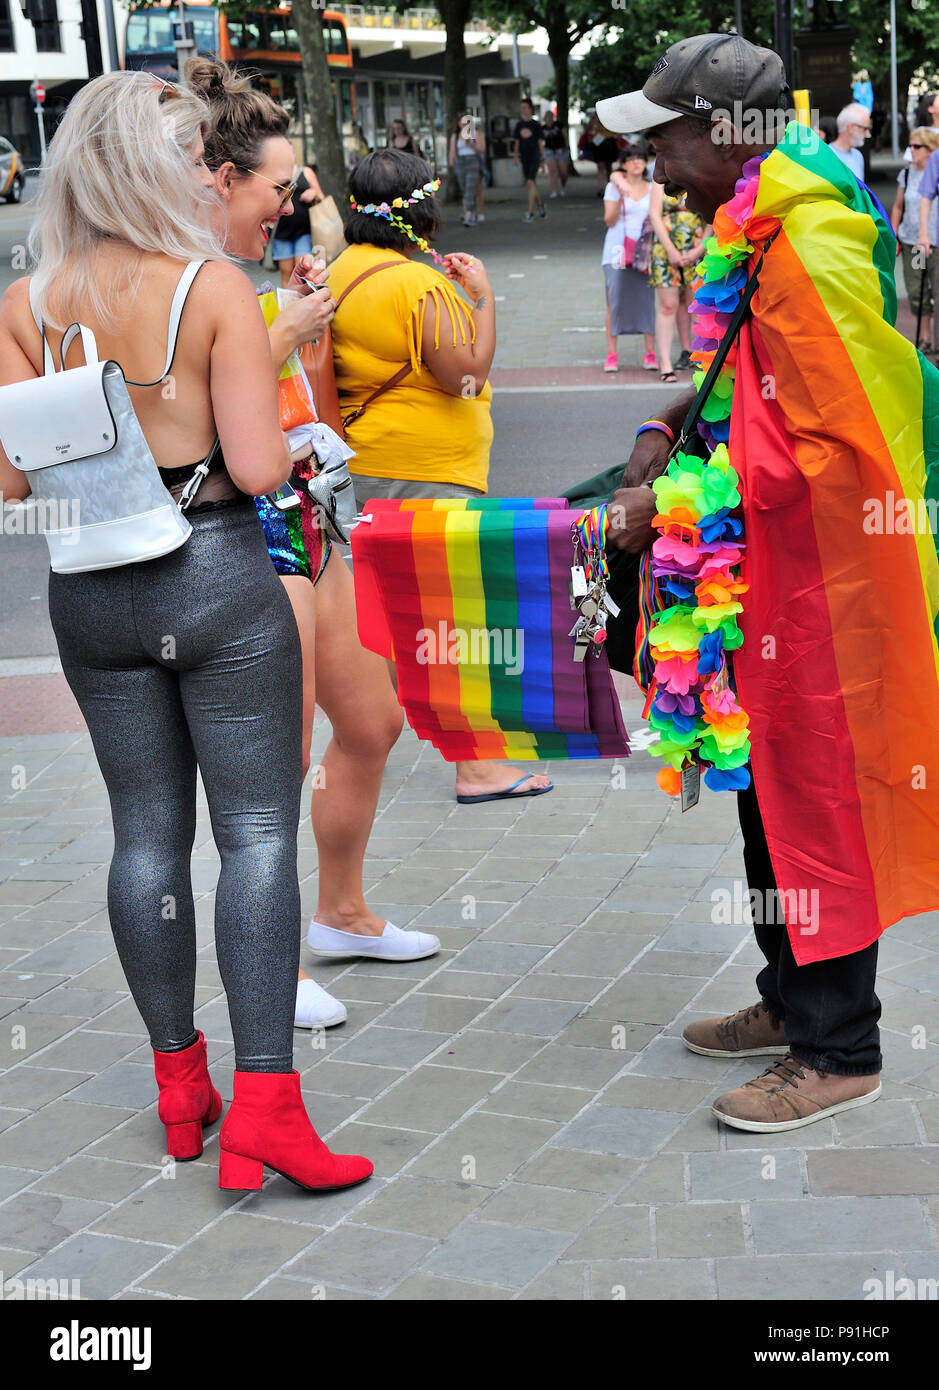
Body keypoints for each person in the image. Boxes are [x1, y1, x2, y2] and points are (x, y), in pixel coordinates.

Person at [0, 72, 371, 1190]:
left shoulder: (24, 306)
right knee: (257, 832)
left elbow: (17, 488)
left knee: (144, 837)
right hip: (214, 575)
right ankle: (268, 1112)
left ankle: (179, 1088)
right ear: (167, 167)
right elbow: (258, 468)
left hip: (93, 594)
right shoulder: (211, 285)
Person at [601, 31, 939, 1133]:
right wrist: (667, 430)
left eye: (665, 142)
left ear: (722, 136)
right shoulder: (756, 230)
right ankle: (791, 1001)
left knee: (821, 803)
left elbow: (838, 446)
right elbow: (745, 376)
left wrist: (674, 504)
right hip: (764, 578)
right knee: (763, 798)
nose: (653, 166)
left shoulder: (811, 242)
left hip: (827, 589)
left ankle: (844, 1049)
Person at [186, 59, 434, 1033]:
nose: (293, 202)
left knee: (371, 721)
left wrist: (303, 341)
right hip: (248, 529)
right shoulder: (187, 281)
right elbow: (184, 435)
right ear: (220, 178)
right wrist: (278, 335)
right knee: (275, 757)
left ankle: (340, 911)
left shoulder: (249, 275)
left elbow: (313, 419)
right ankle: (272, 966)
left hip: (314, 511)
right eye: (281, 185)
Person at [328, 147, 553, 805]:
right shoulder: (416, 285)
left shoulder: (340, 270)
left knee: (400, 617)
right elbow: (465, 375)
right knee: (447, 617)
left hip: (367, 465)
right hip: (423, 473)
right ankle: (476, 767)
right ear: (422, 207)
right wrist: (482, 301)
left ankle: (414, 739)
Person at [601, 145, 655, 373]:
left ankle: (650, 353)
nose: (636, 162)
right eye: (631, 159)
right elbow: (609, 220)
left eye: (640, 158)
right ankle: (612, 354)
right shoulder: (613, 188)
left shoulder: (653, 187)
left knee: (647, 300)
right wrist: (622, 196)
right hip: (616, 251)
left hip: (645, 251)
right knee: (614, 301)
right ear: (623, 164)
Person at [648, 179, 707, 381]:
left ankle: (702, 358)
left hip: (697, 249)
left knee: (697, 306)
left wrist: (700, 249)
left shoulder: (698, 175)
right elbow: (654, 216)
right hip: (665, 252)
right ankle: (665, 364)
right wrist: (672, 252)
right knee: (668, 305)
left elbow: (711, 216)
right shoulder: (661, 179)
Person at [891, 126, 939, 352]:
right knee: (917, 288)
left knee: (935, 290)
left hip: (936, 243)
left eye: (917, 146)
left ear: (931, 150)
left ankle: (933, 340)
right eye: (910, 145)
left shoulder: (936, 172)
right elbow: (898, 206)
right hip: (914, 242)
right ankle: (925, 337)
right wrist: (893, 235)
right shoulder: (907, 174)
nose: (912, 150)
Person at [270, 159, 323, 288]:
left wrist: (314, 193)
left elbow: (322, 197)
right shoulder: (273, 173)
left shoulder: (306, 172)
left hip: (303, 232)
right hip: (281, 232)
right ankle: (286, 306)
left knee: (303, 273)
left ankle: (302, 303)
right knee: (286, 273)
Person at [513, 98, 546, 222]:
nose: (523, 110)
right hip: (524, 157)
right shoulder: (519, 125)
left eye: (525, 107)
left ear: (530, 109)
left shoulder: (536, 125)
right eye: (522, 108)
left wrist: (543, 160)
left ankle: (530, 212)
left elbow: (540, 143)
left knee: (531, 182)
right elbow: (516, 142)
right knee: (531, 184)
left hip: (535, 156)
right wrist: (516, 156)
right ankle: (541, 206)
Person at [449, 111, 484, 227]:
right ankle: (472, 213)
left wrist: (471, 144)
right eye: (461, 121)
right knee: (465, 189)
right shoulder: (455, 135)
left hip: (472, 161)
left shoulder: (476, 133)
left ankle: (468, 215)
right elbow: (452, 151)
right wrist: (452, 161)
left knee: (470, 189)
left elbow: (481, 149)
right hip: (460, 162)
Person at [829, 102, 870, 180]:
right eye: (865, 129)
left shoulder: (858, 156)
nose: (867, 133)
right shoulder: (827, 156)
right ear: (851, 128)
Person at [542, 110, 569, 198]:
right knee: (553, 172)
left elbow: (565, 136)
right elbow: (540, 141)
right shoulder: (543, 128)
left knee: (563, 172)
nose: (549, 119)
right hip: (549, 151)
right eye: (547, 117)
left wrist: (567, 148)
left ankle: (563, 186)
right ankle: (554, 191)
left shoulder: (559, 125)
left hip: (561, 150)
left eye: (551, 117)